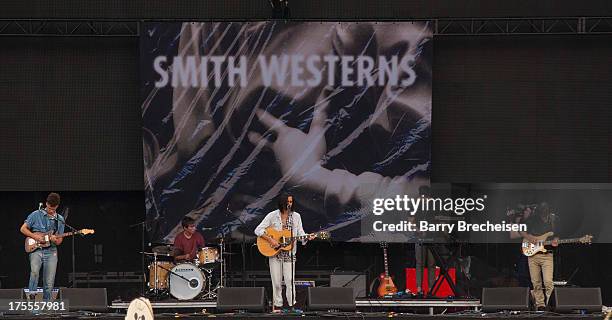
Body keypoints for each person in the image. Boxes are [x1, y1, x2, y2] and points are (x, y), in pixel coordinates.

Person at [254, 193, 315, 312]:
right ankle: (278, 305)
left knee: (289, 281)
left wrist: (307, 237)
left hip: (290, 253)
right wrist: (271, 239)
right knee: (276, 282)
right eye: (287, 202)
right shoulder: (272, 215)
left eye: (291, 202)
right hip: (275, 253)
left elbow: (300, 233)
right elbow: (258, 230)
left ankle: (292, 305)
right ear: (282, 203)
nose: (289, 204)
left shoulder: (296, 216)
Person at [20, 192, 65, 300]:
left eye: (53, 209)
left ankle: (47, 305)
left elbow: (59, 241)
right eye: (49, 208)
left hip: (51, 250)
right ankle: (31, 298)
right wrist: (36, 237)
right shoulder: (36, 214)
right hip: (37, 249)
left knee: (49, 281)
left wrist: (55, 239)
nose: (50, 211)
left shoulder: (60, 219)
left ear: (57, 206)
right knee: (34, 272)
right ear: (46, 204)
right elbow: (23, 229)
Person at [520, 203, 558, 311]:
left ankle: (551, 305)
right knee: (536, 282)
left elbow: (558, 234)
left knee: (548, 282)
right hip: (533, 255)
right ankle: (540, 305)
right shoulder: (532, 220)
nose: (544, 212)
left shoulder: (553, 220)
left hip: (547, 255)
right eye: (543, 210)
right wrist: (530, 238)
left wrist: (556, 239)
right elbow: (521, 230)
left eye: (546, 210)